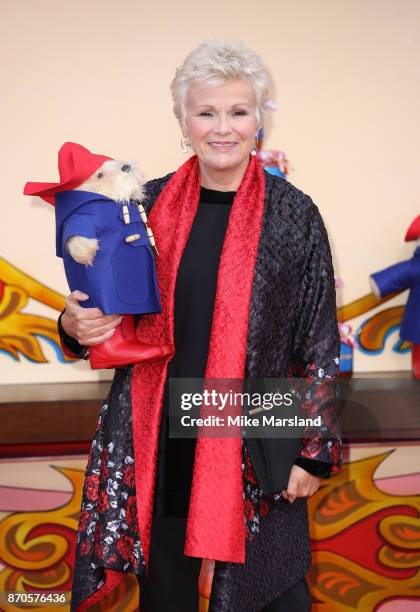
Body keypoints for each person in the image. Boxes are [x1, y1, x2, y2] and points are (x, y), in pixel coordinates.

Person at [60, 39, 342, 612]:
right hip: (161, 435)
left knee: (275, 593)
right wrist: (72, 323)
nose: (222, 128)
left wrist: (312, 452)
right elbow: (100, 311)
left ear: (258, 120)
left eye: (238, 112)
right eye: (205, 112)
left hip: (257, 437)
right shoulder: (143, 207)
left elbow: (316, 341)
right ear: (182, 121)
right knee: (166, 595)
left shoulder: (295, 215)